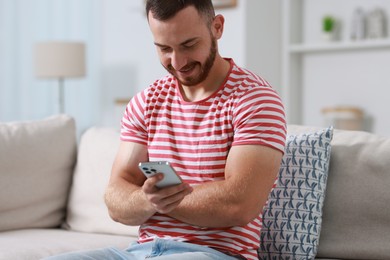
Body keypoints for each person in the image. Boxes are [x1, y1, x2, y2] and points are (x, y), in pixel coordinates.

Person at [46, 0, 286, 259]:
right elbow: (116, 201)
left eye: (188, 45)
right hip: (141, 252)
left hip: (214, 253)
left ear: (217, 27)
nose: (178, 61)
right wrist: (148, 199)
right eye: (164, 48)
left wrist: (157, 200)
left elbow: (239, 204)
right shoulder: (146, 101)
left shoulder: (256, 100)